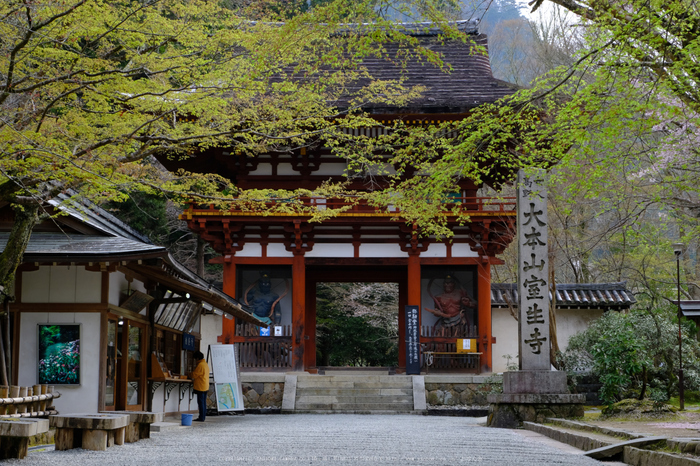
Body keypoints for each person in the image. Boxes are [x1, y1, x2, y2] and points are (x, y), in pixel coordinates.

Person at [190, 351, 209, 422]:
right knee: (203, 402)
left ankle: (201, 417)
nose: (195, 360)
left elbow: (194, 375)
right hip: (205, 385)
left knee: (201, 402)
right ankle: (203, 416)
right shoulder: (205, 364)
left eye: (195, 359)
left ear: (197, 358)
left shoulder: (200, 365)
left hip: (201, 386)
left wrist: (188, 374)